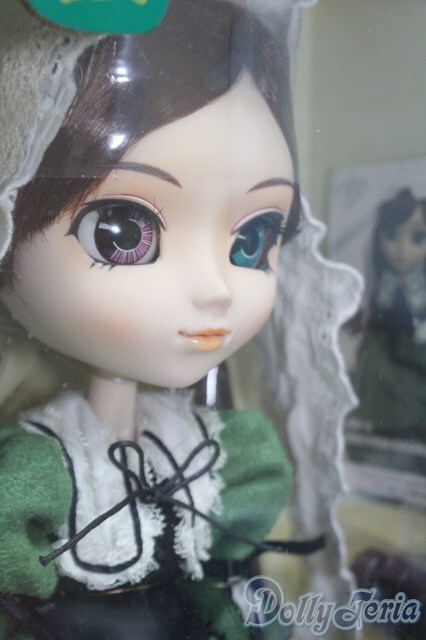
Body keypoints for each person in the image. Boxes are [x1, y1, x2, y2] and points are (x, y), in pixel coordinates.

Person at [0, 0, 358, 638]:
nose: (215, 289)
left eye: (253, 239)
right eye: (123, 232)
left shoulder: (220, 450)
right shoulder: (41, 468)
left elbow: (229, 588)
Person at [351, 188, 426, 444]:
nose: (402, 250)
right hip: (385, 345)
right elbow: (376, 313)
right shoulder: (382, 281)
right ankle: (380, 422)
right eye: (392, 236)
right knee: (374, 363)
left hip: (416, 347)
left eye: (417, 238)